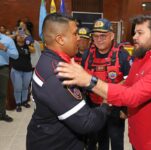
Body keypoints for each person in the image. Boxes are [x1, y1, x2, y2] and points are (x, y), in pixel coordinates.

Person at [56, 13, 151, 150]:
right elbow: (126, 85)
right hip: (136, 134)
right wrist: (109, 100)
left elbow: (132, 95)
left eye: (139, 33)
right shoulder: (141, 58)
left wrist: (89, 81)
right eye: (134, 33)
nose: (134, 37)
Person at [26, 13, 109, 150]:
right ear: (60, 39)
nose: (79, 38)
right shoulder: (57, 73)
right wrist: (107, 104)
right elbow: (86, 122)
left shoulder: (51, 59)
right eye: (75, 34)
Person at [81, 18, 131, 150]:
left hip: (115, 109)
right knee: (99, 140)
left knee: (116, 142)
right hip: (93, 107)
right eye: (95, 36)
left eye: (103, 35)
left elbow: (130, 82)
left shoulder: (122, 55)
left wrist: (125, 109)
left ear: (112, 35)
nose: (99, 39)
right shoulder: (87, 55)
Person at [10, 34, 32, 112]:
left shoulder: (27, 45)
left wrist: (26, 36)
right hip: (16, 70)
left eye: (22, 35)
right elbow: (6, 39)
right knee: (18, 88)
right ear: (16, 38)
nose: (21, 36)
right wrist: (15, 34)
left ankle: (24, 101)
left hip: (28, 70)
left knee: (25, 87)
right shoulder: (12, 46)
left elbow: (31, 40)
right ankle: (18, 103)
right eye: (19, 36)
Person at [0, 32, 18, 122]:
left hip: (3, 69)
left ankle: (2, 114)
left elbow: (15, 55)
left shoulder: (8, 40)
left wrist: (4, 48)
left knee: (3, 93)